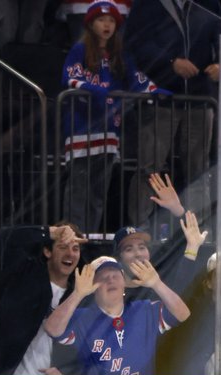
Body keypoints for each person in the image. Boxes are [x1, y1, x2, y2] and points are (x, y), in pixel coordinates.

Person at [61, 1, 160, 233]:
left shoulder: (120, 54)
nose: (107, 25)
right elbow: (69, 78)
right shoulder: (79, 50)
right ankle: (72, 236)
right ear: (91, 23)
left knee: (98, 191)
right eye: (101, 20)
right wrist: (93, 89)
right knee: (78, 189)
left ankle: (91, 235)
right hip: (81, 129)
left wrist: (156, 92)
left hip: (108, 132)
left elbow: (137, 80)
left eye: (111, 21)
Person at [124, 0, 221, 222]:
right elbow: (135, 43)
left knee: (199, 170)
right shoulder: (148, 4)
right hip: (160, 96)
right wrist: (170, 62)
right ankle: (141, 231)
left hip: (199, 98)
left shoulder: (210, 4)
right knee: (150, 169)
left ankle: (197, 232)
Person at [43, 255, 191, 375]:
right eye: (103, 278)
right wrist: (78, 294)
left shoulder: (144, 310)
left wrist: (156, 284)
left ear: (124, 284)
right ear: (92, 287)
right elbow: (52, 329)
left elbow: (182, 314)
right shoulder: (83, 318)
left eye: (115, 276)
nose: (111, 280)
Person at [4, 222, 88, 375]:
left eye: (75, 249)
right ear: (47, 251)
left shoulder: (81, 296)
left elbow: (86, 350)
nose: (70, 254)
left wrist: (67, 374)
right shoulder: (23, 281)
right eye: (63, 247)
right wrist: (48, 232)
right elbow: (5, 239)